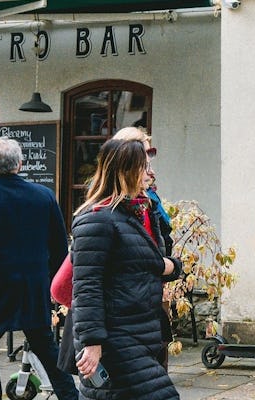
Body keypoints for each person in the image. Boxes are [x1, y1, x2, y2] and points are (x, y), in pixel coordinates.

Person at [0, 137, 79, 400]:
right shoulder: (43, 195)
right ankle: (71, 397)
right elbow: (58, 247)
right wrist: (51, 283)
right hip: (31, 288)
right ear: (20, 164)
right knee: (47, 349)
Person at [71, 139, 182, 399]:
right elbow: (86, 286)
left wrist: (172, 267)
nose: (149, 173)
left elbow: (143, 261)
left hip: (141, 333)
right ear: (126, 171)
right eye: (144, 167)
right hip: (115, 339)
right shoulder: (97, 219)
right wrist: (93, 343)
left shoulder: (134, 214)